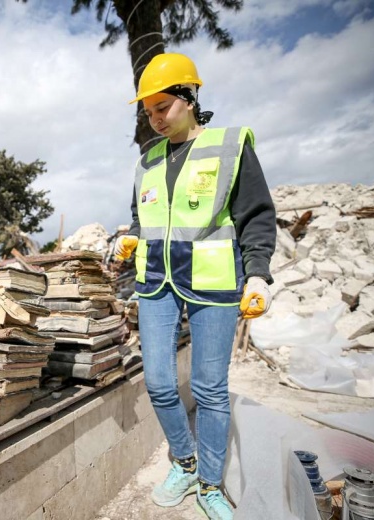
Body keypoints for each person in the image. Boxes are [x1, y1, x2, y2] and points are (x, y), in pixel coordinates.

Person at [114, 53, 276, 520]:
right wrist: (130, 237)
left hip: (214, 281)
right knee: (160, 382)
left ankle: (209, 482)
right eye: (148, 112)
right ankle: (183, 462)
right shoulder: (147, 159)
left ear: (190, 98)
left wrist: (259, 273)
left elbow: (256, 216)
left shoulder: (230, 146)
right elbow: (142, 218)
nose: (155, 119)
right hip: (156, 283)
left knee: (209, 388)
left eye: (163, 107)